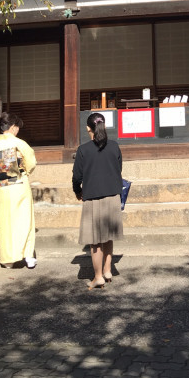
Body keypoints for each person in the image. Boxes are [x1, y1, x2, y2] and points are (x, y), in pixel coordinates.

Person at [72, 112, 124, 289]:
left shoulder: (83, 149)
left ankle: (98, 276)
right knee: (108, 237)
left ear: (88, 128)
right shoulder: (114, 146)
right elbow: (119, 169)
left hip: (93, 196)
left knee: (95, 241)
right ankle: (108, 270)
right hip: (112, 195)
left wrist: (77, 191)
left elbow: (77, 176)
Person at [0, 112, 37, 268]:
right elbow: (31, 162)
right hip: (18, 184)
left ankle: (7, 259)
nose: (18, 130)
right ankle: (27, 255)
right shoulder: (19, 144)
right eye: (17, 127)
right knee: (25, 220)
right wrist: (24, 171)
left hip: (1, 188)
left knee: (5, 222)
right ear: (13, 127)